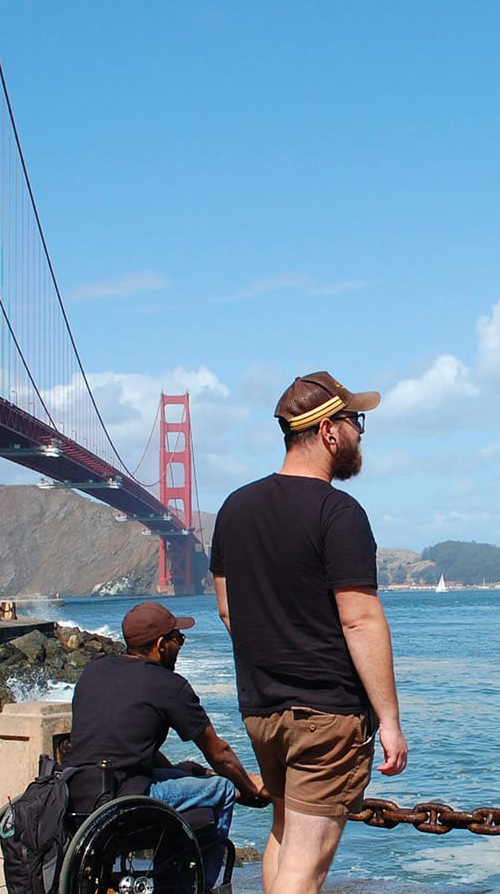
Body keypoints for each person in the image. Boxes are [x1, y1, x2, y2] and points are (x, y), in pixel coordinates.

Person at [210, 371, 408, 894]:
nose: (361, 433)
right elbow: (359, 618)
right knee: (306, 866)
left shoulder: (233, 509)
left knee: (283, 837)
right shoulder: (338, 512)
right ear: (328, 431)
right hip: (326, 716)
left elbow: (229, 611)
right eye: (355, 421)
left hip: (260, 711)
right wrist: (389, 720)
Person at [66, 602, 268, 891]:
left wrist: (173, 770)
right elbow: (218, 753)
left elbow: (123, 744)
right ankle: (198, 886)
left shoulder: (94, 672)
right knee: (222, 789)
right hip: (124, 800)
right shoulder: (169, 685)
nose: (180, 645)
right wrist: (248, 787)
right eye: (179, 639)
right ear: (162, 645)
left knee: (188, 777)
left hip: (78, 794)